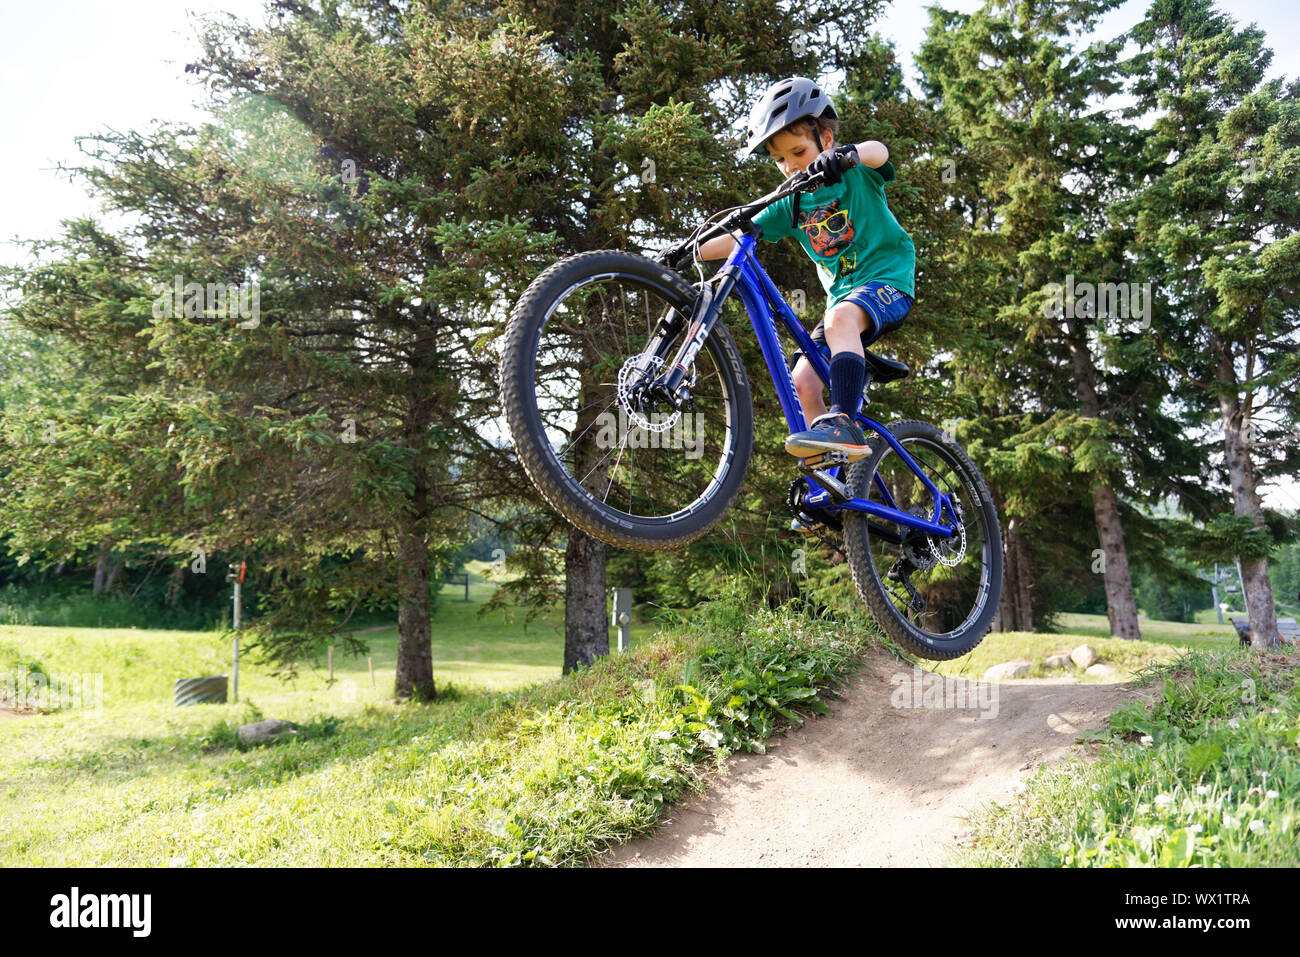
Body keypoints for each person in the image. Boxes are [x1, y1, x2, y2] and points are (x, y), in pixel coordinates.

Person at [690, 77, 916, 464]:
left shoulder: (852, 171)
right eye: (780, 160)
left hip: (887, 280)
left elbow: (879, 152)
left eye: (799, 151)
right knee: (803, 381)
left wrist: (850, 155)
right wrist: (688, 249)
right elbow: (740, 235)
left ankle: (843, 422)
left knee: (839, 318)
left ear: (825, 139)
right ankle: (829, 482)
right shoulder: (790, 204)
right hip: (844, 301)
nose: (791, 166)